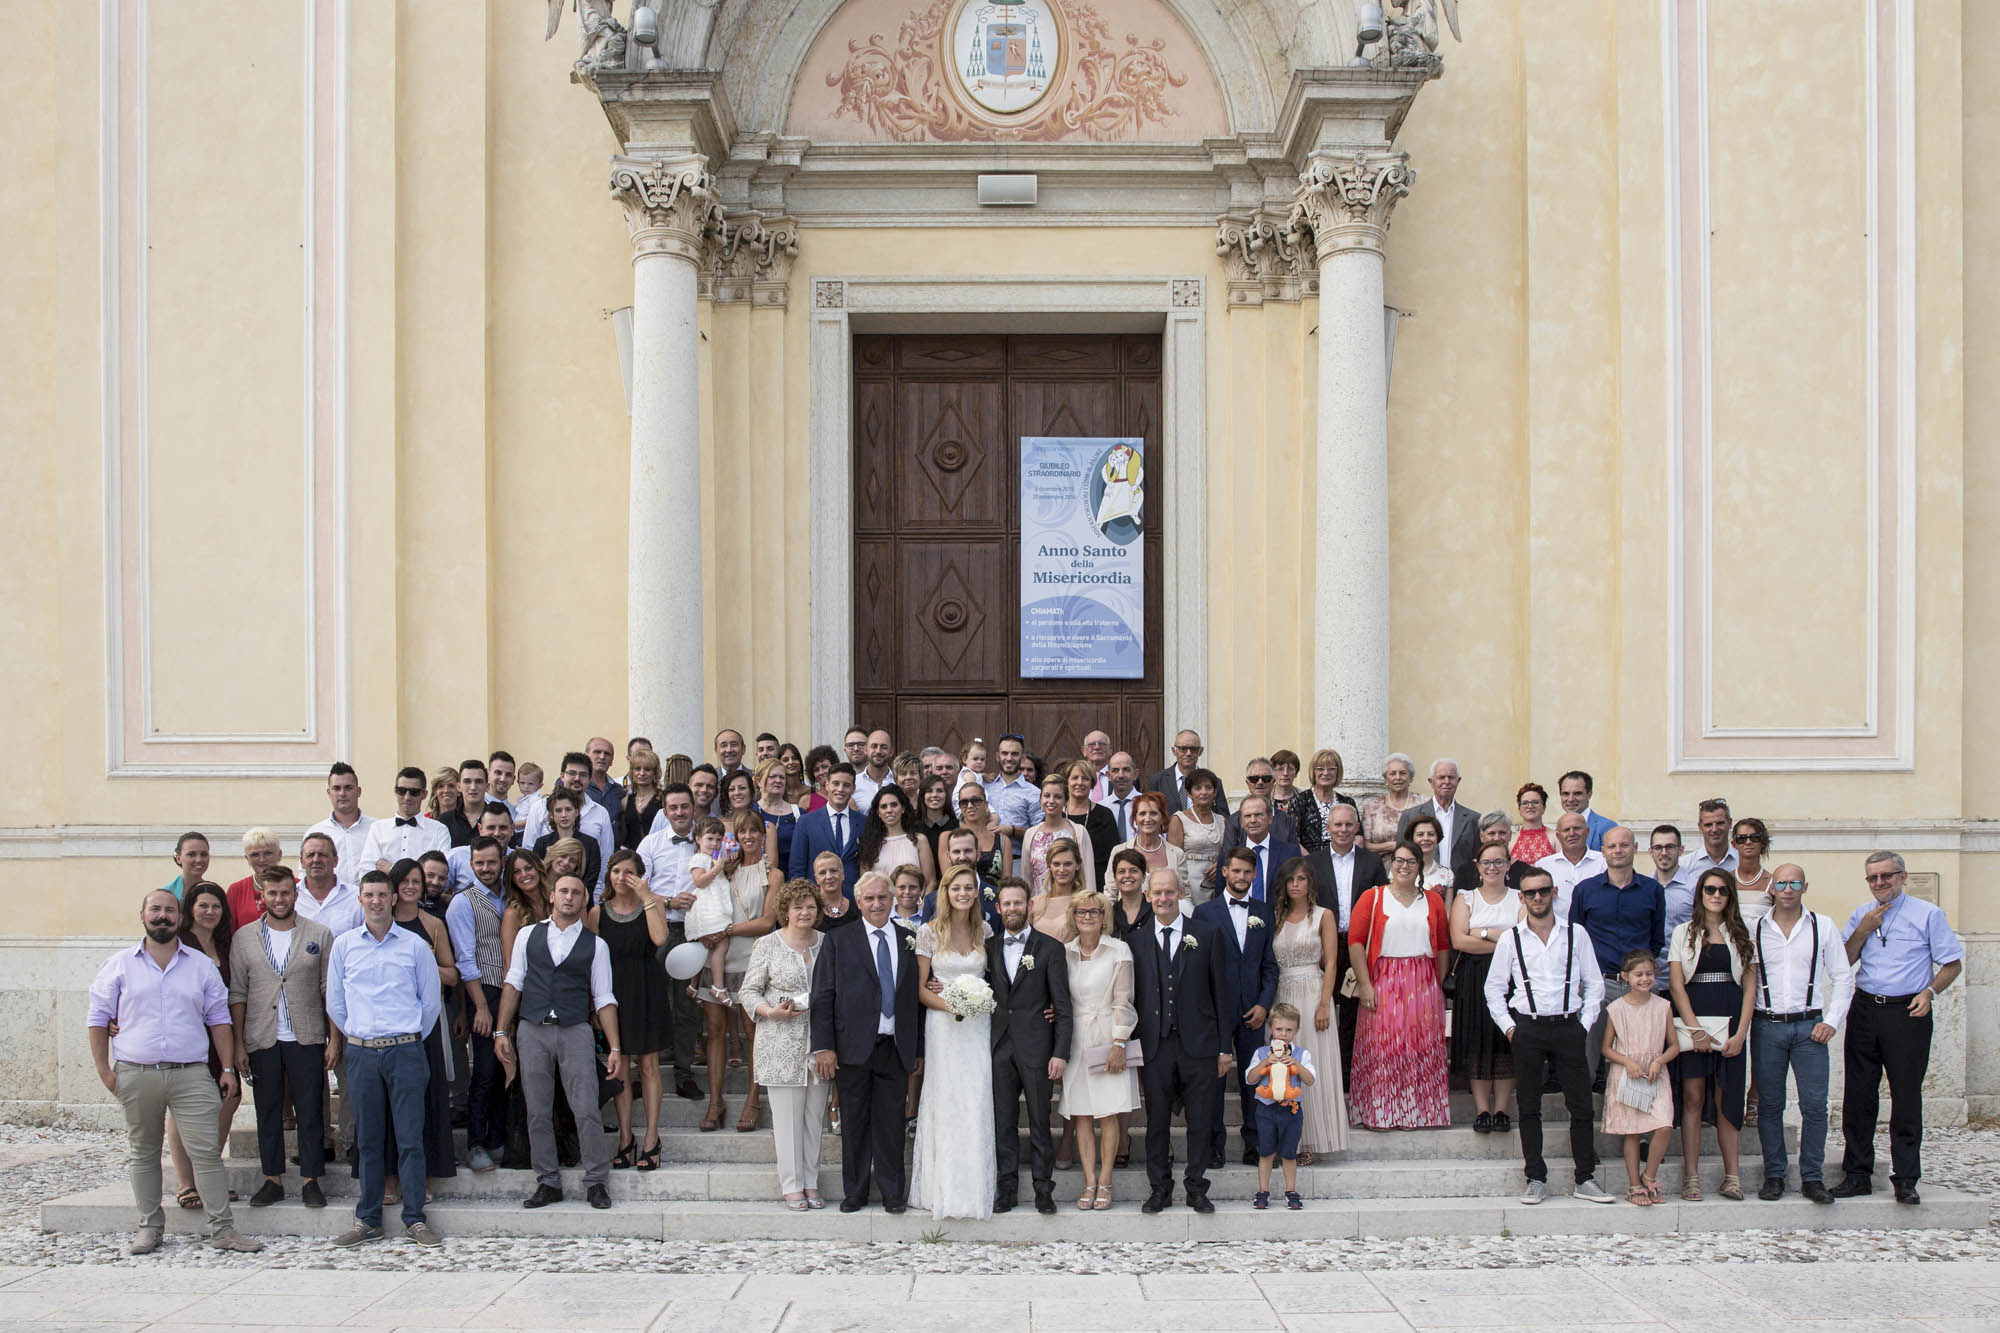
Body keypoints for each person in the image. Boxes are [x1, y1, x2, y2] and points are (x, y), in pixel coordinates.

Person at [88, 890, 262, 1254]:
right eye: (155, 909)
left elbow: (219, 1020)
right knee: (143, 1152)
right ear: (142, 915)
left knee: (207, 1154)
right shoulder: (118, 965)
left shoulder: (200, 965)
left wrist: (227, 1068)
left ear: (180, 919)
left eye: (169, 910)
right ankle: (149, 1228)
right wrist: (105, 1069)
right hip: (136, 1073)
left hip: (192, 1074)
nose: (163, 916)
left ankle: (223, 1231)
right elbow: (98, 1019)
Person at [1834, 850, 1964, 1205]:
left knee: (1906, 1095)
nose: (1880, 883)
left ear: (1903, 877)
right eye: (1873, 878)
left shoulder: (1928, 914)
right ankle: (1857, 1173)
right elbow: (1844, 961)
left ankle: (1906, 1177)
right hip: (1865, 1007)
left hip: (1907, 1011)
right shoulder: (1861, 914)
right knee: (1858, 1095)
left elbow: (1952, 964)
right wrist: (1862, 931)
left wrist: (1931, 991)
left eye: (1886, 876)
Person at [328, 873, 444, 1247]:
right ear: (360, 900)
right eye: (369, 895)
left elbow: (430, 1003)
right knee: (369, 1139)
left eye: (382, 894)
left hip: (406, 1050)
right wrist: (360, 1037)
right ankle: (369, 1219)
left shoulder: (414, 947)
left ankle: (414, 1218)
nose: (376, 901)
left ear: (394, 898)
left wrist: (404, 1039)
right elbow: (336, 1003)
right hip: (361, 1052)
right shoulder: (344, 946)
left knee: (410, 1137)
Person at [493, 873, 620, 1211]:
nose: (568, 898)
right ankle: (547, 1180)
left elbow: (604, 996)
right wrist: (500, 1030)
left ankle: (596, 1181)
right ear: (551, 896)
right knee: (536, 1109)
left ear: (583, 901)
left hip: (575, 1028)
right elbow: (513, 981)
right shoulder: (526, 935)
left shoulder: (596, 944)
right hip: (532, 1028)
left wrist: (615, 1047)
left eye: (576, 893)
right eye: (563, 891)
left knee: (586, 1108)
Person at [1483, 867, 1611, 1205]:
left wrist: (1584, 1024)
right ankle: (1535, 1178)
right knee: (1529, 1106)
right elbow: (1493, 988)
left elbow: (1594, 984)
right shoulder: (1511, 938)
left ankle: (1585, 1177)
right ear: (1522, 897)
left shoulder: (1576, 934)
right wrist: (1510, 1027)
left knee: (1581, 1105)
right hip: (1528, 1027)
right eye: (1530, 893)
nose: (1537, 898)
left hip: (1570, 1026)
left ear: (1554, 892)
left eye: (1542, 891)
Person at [811, 873, 923, 1213]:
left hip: (895, 1047)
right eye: (869, 899)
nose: (877, 904)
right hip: (851, 1047)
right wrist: (824, 1046)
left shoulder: (909, 939)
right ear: (858, 902)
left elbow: (915, 1000)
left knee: (891, 1125)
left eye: (882, 898)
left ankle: (892, 1194)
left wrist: (917, 1048)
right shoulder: (838, 939)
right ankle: (855, 1192)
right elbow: (822, 995)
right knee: (855, 1124)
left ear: (893, 900)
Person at [230, 865, 336, 1210]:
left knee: (309, 1111)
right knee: (269, 1110)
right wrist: (238, 1045)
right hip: (262, 1036)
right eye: (272, 893)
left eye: (286, 892)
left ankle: (311, 1179)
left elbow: (329, 991)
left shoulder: (318, 934)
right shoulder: (244, 937)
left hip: (306, 1036)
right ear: (262, 896)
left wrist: (334, 1039)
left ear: (296, 893)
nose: (279, 899)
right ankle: (272, 1178)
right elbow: (238, 994)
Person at [1129, 868, 1232, 1214]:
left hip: (1200, 1043)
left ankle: (1196, 1187)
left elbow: (1222, 994)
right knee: (1156, 1122)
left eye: (1169, 892)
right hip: (1156, 1046)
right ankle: (1159, 1188)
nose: (1163, 899)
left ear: (1181, 892)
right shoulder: (1136, 941)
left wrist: (1224, 1048)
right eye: (1156, 893)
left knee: (1200, 1121)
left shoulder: (1207, 934)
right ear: (1147, 896)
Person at [1749, 863, 1853, 1204]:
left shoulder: (1822, 926)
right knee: (1769, 1105)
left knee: (1814, 1106)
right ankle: (1774, 1175)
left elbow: (1843, 977)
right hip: (1767, 1025)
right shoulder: (1755, 929)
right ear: (1772, 889)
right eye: (1781, 882)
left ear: (1805, 887)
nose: (1788, 888)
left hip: (1811, 1026)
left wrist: (1833, 1020)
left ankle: (1812, 1177)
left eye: (1794, 882)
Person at [983, 872, 1071, 1215]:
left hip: (1037, 1047)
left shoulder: (1050, 948)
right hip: (998, 1047)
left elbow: (1062, 1005)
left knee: (1039, 1120)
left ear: (1029, 905)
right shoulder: (988, 948)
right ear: (998, 907)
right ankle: (1006, 1189)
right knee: (1003, 1122)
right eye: (1007, 903)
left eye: (1018, 902)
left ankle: (1042, 1189)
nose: (1013, 908)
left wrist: (1060, 1052)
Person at [1346, 843, 1450, 1130]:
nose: (1404, 866)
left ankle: (1416, 1113)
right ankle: (1382, 1112)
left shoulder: (1433, 901)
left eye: (1411, 861)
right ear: (1390, 864)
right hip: (1383, 977)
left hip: (1422, 979)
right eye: (1399, 860)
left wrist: (1436, 983)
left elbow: (1442, 945)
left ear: (1420, 866)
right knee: (1385, 1048)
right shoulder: (1374, 897)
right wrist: (1365, 984)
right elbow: (1355, 942)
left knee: (1419, 1048)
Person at [740, 878, 829, 1209]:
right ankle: (791, 1184)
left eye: (810, 906)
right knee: (788, 1120)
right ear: (785, 911)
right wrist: (770, 1011)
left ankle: (811, 1181)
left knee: (813, 1118)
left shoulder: (827, 943)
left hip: (819, 1043)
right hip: (779, 1043)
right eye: (798, 907)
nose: (805, 912)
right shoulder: (767, 945)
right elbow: (748, 991)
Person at [1668, 869, 1756, 1202]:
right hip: (1695, 1022)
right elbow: (1677, 984)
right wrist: (1695, 1030)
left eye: (1722, 890)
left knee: (1728, 1098)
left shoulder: (1741, 934)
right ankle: (1691, 1176)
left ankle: (1732, 1176)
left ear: (1730, 895)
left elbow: (1749, 986)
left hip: (1731, 1022)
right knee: (1693, 1099)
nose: (1716, 895)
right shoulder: (1683, 932)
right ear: (1700, 893)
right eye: (1709, 889)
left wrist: (1741, 1033)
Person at [1193, 847, 1280, 1165]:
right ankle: (1214, 1146)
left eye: (1248, 872)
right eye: (1236, 870)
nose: (1242, 876)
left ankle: (1254, 1143)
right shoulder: (1205, 914)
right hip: (1217, 1012)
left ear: (1254, 875)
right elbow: (1199, 968)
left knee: (1253, 1079)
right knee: (1214, 1082)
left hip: (1253, 1012)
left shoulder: (1264, 911)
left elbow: (1269, 965)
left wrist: (1263, 1005)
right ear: (1224, 871)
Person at [697, 809, 779, 1134]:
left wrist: (726, 930)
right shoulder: (724, 870)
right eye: (742, 832)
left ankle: (753, 1099)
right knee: (715, 1032)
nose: (747, 837)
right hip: (717, 956)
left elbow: (767, 922)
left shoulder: (772, 874)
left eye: (753, 831)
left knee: (751, 1033)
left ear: (762, 835)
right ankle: (715, 1102)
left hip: (751, 959)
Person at [588, 848, 671, 1171]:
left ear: (640, 875)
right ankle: (626, 1137)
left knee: (649, 1066)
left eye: (628, 871)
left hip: (647, 989)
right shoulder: (597, 912)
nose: (622, 877)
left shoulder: (652, 903)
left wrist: (647, 895)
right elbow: (592, 962)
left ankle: (652, 1137)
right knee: (618, 1067)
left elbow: (660, 937)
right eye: (616, 871)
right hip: (612, 994)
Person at [1569, 825, 1666, 1088]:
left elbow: (1657, 939)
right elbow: (1575, 938)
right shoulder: (1585, 890)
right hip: (1599, 982)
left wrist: (1638, 972)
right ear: (1603, 851)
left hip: (1640, 983)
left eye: (1624, 845)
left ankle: (1642, 1107)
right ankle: (1584, 1103)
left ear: (1635, 848)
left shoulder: (1652, 890)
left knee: (1644, 1049)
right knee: (1588, 1045)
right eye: (1611, 846)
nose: (1618, 850)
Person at [1060, 887, 1138, 1209]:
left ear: (1104, 916)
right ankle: (1088, 1181)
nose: (1088, 917)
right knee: (1081, 1114)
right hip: (1076, 1037)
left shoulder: (1119, 950)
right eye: (1082, 912)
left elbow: (1124, 999)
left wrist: (1119, 1042)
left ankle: (1105, 1180)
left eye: (1094, 911)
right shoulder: (1063, 952)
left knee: (1108, 1113)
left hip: (1107, 1033)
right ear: (1073, 917)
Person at [167, 882, 242, 1213]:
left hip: (220, 1034)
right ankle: (186, 1183)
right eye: (203, 906)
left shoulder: (225, 945)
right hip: (188, 1032)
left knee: (229, 1097)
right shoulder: (178, 944)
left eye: (216, 906)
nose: (210, 912)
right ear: (190, 910)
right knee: (182, 1108)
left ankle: (207, 1175)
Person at [1267, 857, 1349, 1162]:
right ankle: (1286, 1139)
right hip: (1282, 996)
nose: (1296, 885)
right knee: (1282, 1067)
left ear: (1310, 882)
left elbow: (1331, 964)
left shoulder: (1323, 916)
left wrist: (1325, 1003)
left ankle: (1312, 1140)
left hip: (1314, 993)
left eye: (1301, 879)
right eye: (1290, 880)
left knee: (1312, 1065)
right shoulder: (1276, 915)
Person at [387, 859, 459, 1190]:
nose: (411, 887)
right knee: (387, 1103)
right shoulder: (379, 923)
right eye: (405, 881)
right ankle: (389, 1179)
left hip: (424, 1022)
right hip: (387, 1023)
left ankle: (424, 1178)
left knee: (427, 1099)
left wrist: (422, 961)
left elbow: (451, 973)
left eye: (417, 881)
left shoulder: (432, 925)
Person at [443, 836, 511, 1172]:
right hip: (482, 991)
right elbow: (465, 959)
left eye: (491, 862)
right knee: (484, 1070)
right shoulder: (463, 903)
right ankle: (476, 1142)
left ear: (502, 862)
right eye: (479, 863)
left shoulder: (510, 897)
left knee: (505, 1069)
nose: (486, 868)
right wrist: (480, 1007)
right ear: (471, 865)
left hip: (512, 991)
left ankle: (499, 1137)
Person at [635, 783, 706, 1101]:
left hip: (694, 932)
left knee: (687, 1005)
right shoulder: (650, 843)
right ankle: (641, 1073)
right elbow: (636, 887)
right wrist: (667, 902)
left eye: (685, 807)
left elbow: (728, 873)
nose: (679, 812)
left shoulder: (710, 841)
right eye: (673, 808)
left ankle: (684, 1073)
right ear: (664, 812)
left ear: (694, 808)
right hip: (657, 929)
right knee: (650, 1001)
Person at [1449, 844, 1523, 1134]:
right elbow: (1459, 941)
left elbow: (1520, 940)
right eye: (1486, 862)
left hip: (1511, 977)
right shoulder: (1465, 898)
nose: (1492, 867)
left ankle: (1502, 1109)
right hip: (1473, 976)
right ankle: (1482, 1110)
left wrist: (1479, 932)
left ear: (1508, 865)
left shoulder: (1520, 898)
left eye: (1499, 862)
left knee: (1504, 1042)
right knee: (1478, 1043)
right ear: (1477, 865)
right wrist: (1497, 936)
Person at [1600, 951, 1678, 1205]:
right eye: (1638, 974)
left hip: (1656, 1073)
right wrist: (1627, 1062)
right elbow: (1607, 1048)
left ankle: (1649, 1175)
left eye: (1649, 974)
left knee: (1664, 1124)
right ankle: (1634, 1185)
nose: (1644, 979)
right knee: (1632, 1132)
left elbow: (1674, 1046)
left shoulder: (1663, 1007)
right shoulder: (1616, 1008)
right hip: (1628, 1074)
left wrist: (1659, 1060)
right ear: (1625, 977)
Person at [1316, 803, 1385, 1088]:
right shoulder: (1313, 863)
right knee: (1325, 1009)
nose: (1343, 830)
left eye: (1348, 825)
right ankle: (1326, 1072)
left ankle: (1350, 1073)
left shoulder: (1372, 862)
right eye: (1337, 825)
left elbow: (1382, 905)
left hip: (1361, 946)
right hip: (1324, 947)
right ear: (1328, 828)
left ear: (1357, 827)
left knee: (1355, 1013)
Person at [1246, 1003, 1316, 1211]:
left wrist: (1295, 1064)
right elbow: (1250, 1079)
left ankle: (1290, 1190)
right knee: (1266, 1151)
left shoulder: (1302, 1054)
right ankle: (1263, 1190)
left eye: (1289, 1030)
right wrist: (1264, 1063)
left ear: (1296, 1031)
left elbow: (1310, 1079)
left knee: (1289, 1152)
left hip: (1291, 1110)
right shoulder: (1261, 1053)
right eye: (1279, 1029)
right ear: (1270, 1029)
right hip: (1266, 1109)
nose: (1283, 1034)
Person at [1212, 794, 1303, 901]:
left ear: (1270, 818)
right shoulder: (1228, 857)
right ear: (1241, 822)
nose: (1253, 820)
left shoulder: (1290, 853)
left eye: (1258, 815)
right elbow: (1220, 898)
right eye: (1247, 816)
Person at [684, 818, 736, 1005]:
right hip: (707, 908)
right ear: (698, 839)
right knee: (720, 944)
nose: (714, 843)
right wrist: (717, 869)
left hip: (715, 906)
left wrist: (723, 866)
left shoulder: (714, 858)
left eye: (718, 839)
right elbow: (700, 881)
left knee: (708, 947)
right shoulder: (699, 858)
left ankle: (694, 985)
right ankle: (717, 986)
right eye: (709, 839)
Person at [787, 763, 862, 890]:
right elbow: (797, 868)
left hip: (853, 900)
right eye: (836, 783)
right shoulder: (806, 822)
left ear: (853, 788)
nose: (840, 789)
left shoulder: (862, 822)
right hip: (817, 899)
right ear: (827, 785)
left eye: (846, 785)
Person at [363, 767, 453, 872]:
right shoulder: (378, 828)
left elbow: (440, 872)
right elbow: (366, 870)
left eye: (414, 792)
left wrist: (392, 869)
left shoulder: (439, 830)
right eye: (401, 791)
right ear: (395, 791)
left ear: (424, 794)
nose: (407, 797)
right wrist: (420, 872)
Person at [1397, 758, 1479, 870]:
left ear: (1458, 781)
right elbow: (1401, 855)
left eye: (1451, 777)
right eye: (1441, 777)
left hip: (1460, 884)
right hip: (1421, 882)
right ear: (1431, 782)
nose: (1447, 782)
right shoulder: (1411, 816)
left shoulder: (1473, 819)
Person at [1024, 776, 1098, 895]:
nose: (1051, 801)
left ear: (1065, 801)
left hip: (1071, 905)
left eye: (1057, 797)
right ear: (1040, 799)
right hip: (1038, 906)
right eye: (1047, 796)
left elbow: (1088, 878)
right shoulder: (1031, 834)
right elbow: (1026, 878)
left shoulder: (1078, 832)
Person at [858, 783, 936, 891]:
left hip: (916, 906)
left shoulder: (919, 840)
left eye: (894, 805)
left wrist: (922, 906)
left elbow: (930, 882)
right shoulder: (870, 844)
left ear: (903, 808)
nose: (889, 810)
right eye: (884, 806)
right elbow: (864, 884)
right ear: (878, 813)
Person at [307, 762, 376, 881]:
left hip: (370, 898)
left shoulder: (376, 829)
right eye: (336, 788)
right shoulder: (316, 832)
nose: (342, 794)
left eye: (348, 788)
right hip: (332, 899)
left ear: (359, 791)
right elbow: (305, 875)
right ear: (329, 793)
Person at [1164, 766, 1224, 901]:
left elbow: (1228, 852)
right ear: (1189, 793)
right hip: (1190, 883)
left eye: (1208, 787)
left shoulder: (1222, 821)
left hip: (1218, 882)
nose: (1204, 792)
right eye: (1198, 788)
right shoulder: (1178, 819)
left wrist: (1221, 864)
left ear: (1215, 792)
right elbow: (1174, 859)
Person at [1535, 812, 1606, 922]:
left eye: (1577, 828)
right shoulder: (1543, 866)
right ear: (1558, 836)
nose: (1572, 833)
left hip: (1596, 930)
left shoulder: (1603, 862)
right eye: (1566, 830)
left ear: (1587, 832)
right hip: (1557, 932)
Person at [1650, 824, 1697, 985]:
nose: (1664, 853)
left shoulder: (1695, 888)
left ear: (1680, 850)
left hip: (1685, 978)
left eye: (1670, 847)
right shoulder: (1643, 888)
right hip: (1650, 980)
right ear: (1651, 851)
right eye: (1658, 847)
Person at [534, 790, 603, 899]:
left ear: (576, 812)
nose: (564, 815)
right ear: (551, 815)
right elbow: (538, 876)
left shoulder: (590, 844)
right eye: (558, 810)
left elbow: (591, 880)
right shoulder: (542, 843)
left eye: (568, 809)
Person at [1062, 758, 1121, 886]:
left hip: (1097, 883)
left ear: (1092, 783)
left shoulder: (1104, 815)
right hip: (1061, 883)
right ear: (1067, 782)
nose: (1079, 782)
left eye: (1085, 778)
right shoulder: (1056, 814)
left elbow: (1113, 856)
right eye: (1074, 778)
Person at [1109, 790, 1186, 887]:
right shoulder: (1118, 851)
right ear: (1135, 819)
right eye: (1142, 814)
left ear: (1162, 818)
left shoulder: (1177, 854)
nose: (1148, 819)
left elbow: (1185, 894)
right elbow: (1110, 894)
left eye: (1153, 813)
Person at [1289, 748, 1357, 855]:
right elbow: (1292, 838)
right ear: (1313, 771)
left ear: (1338, 772)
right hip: (1309, 862)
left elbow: (1358, 837)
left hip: (1343, 859)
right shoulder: (1299, 801)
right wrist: (1313, 861)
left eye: (1331, 769)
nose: (1326, 773)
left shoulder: (1347, 802)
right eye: (1320, 769)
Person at [1147, 730, 1229, 816]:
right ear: (1174, 751)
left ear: (1200, 751)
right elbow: (1150, 814)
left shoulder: (1213, 782)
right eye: (1183, 749)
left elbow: (1224, 818)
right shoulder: (1158, 780)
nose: (1188, 753)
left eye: (1193, 749)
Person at [1359, 753, 1421, 856]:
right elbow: (1366, 845)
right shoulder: (1372, 807)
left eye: (1403, 773)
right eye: (1392, 773)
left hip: (1414, 865)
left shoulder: (1422, 803)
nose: (1398, 777)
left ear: (1411, 777)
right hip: (1380, 868)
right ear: (1385, 779)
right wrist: (1392, 845)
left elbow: (1429, 840)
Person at [987, 733, 1041, 847]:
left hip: (1018, 859)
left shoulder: (1034, 793)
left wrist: (1013, 831)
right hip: (984, 858)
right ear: (997, 756)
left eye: (1014, 754)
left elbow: (1040, 834)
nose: (1009, 758)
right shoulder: (985, 787)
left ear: (1022, 758)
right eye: (1005, 753)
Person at [953, 781, 1013, 882]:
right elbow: (948, 879)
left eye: (976, 800)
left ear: (986, 805)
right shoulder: (949, 838)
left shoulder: (1003, 841)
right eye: (964, 802)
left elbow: (1006, 882)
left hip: (995, 896)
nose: (970, 806)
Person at [1029, 837, 1085, 941]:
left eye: (1068, 864)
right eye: (1056, 864)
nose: (1061, 870)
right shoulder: (1035, 903)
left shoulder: (1084, 902)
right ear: (1049, 865)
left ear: (1077, 865)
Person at [224, 828, 282, 927]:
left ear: (279, 855)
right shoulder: (236, 890)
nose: (262, 859)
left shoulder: (298, 886)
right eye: (255, 855)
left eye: (268, 853)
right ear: (247, 859)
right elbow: (228, 930)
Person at [754, 758, 803, 872]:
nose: (778, 780)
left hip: (790, 881)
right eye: (773, 776)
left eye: (782, 777)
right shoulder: (751, 812)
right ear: (759, 781)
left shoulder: (798, 814)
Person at [1728, 817, 1774, 929]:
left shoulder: (1773, 882)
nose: (1748, 842)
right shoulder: (1726, 880)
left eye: (1755, 838)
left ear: (1763, 842)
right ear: (1733, 843)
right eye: (1741, 838)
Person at [1555, 771, 1617, 852]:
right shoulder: (1557, 828)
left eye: (1577, 793)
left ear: (1589, 794)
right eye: (1566, 794)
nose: (1570, 799)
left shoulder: (1608, 827)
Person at [618, 748, 664, 851]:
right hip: (632, 855)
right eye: (638, 769)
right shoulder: (625, 801)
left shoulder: (663, 799)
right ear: (632, 771)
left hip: (657, 853)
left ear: (655, 772)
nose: (642, 773)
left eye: (647, 769)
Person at [1106, 847, 1154, 940]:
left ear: (1144, 877)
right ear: (1115, 878)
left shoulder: (1154, 911)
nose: (1127, 875)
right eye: (1121, 871)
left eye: (1134, 871)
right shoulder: (1110, 915)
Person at [1685, 798, 1738, 880]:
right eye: (1708, 825)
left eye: (1720, 823)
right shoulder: (1685, 866)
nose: (1714, 829)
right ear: (1700, 827)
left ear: (1730, 823)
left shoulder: (1742, 862)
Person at [1402, 813, 1454, 898]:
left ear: (1438, 838)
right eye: (1420, 834)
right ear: (1412, 839)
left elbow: (1447, 910)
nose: (1426, 838)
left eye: (1431, 834)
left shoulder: (1447, 874)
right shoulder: (1400, 869)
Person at [1097, 751, 1142, 843]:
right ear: (1108, 776)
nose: (1121, 775)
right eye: (1115, 770)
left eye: (1126, 769)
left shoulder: (1149, 805)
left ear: (1135, 774)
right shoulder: (1100, 808)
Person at [1508, 782, 1554, 865]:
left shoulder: (1556, 837)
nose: (1530, 806)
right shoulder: (1510, 840)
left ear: (1544, 807)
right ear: (1519, 808)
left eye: (1535, 802)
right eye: (1525, 803)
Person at [160, 831, 210, 902]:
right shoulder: (165, 895)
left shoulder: (214, 893)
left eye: (204, 854)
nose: (199, 860)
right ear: (178, 859)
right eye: (191, 854)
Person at [585, 736, 624, 823]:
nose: (602, 757)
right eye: (597, 752)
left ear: (611, 760)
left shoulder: (618, 791)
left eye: (607, 754)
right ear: (586, 756)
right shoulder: (574, 785)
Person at [853, 729, 894, 812]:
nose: (878, 751)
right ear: (865, 750)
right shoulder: (854, 783)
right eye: (874, 746)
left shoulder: (898, 782)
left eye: (884, 747)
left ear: (891, 752)